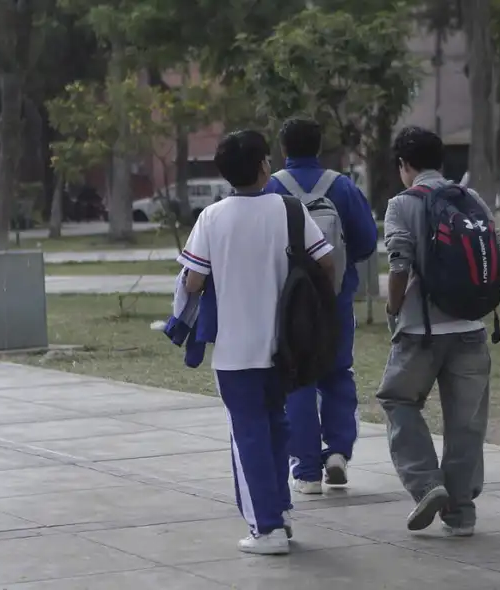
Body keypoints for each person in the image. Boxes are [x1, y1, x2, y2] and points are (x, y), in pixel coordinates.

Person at [178, 129, 336, 555]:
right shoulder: (289, 210)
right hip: (284, 347)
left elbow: (193, 279)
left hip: (235, 350)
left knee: (246, 435)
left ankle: (264, 529)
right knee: (276, 428)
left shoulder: (212, 218)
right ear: (264, 166)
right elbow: (326, 261)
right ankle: (280, 513)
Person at [377, 126, 500, 537]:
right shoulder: (471, 200)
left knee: (398, 399)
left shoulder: (401, 204)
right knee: (465, 423)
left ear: (404, 165)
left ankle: (427, 484)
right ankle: (462, 513)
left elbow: (399, 265)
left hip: (422, 331)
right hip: (472, 329)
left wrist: (394, 308)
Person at [265, 117, 378, 494]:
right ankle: (338, 452)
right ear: (319, 147)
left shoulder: (272, 187)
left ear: (283, 149)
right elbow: (364, 242)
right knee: (337, 374)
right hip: (335, 300)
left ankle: (306, 470)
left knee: (297, 380)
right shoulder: (342, 187)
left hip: (288, 304)